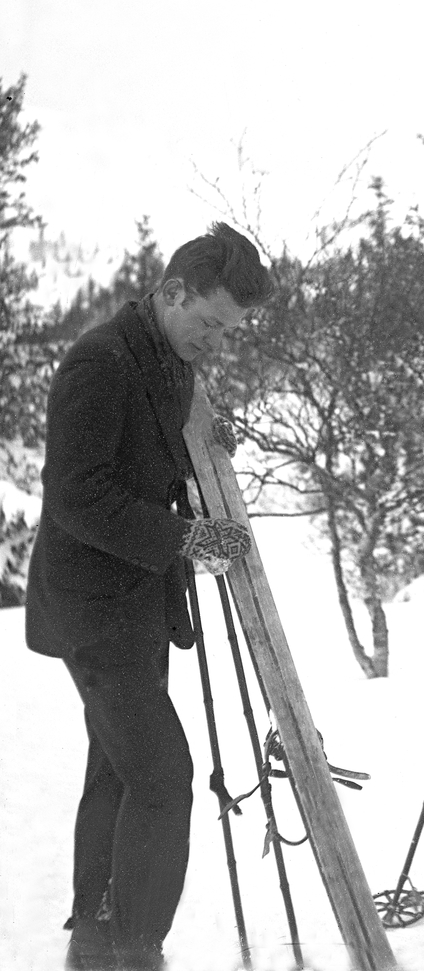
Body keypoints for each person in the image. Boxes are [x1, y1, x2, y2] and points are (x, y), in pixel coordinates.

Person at [26, 223, 274, 970]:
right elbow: (77, 495)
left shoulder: (166, 359)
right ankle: (137, 951)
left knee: (120, 769)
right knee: (165, 779)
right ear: (172, 293)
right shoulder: (98, 361)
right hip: (93, 611)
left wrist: (201, 439)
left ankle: (97, 934)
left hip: (133, 607)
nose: (216, 342)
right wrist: (188, 541)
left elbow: (151, 451)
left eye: (227, 332)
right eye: (209, 324)